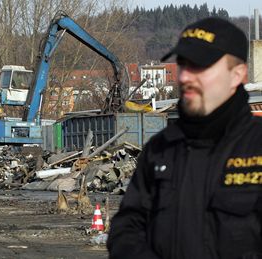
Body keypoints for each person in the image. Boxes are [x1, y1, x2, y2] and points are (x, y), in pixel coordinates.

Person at [107, 17, 262, 259]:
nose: (185, 77)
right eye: (183, 64)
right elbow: (127, 227)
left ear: (237, 75)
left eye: (200, 65)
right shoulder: (160, 149)